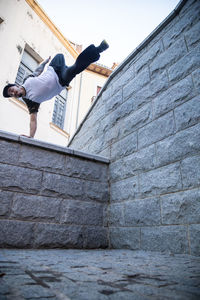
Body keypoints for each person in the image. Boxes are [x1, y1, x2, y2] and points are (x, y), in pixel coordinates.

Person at [3, 40, 109, 138]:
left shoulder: (27, 79)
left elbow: (37, 72)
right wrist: (31, 137)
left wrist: (45, 63)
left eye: (11, 90)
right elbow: (33, 120)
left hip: (54, 66)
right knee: (75, 68)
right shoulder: (30, 102)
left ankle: (67, 66)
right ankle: (98, 49)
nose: (13, 93)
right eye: (11, 94)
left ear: (15, 85)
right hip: (61, 80)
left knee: (59, 55)